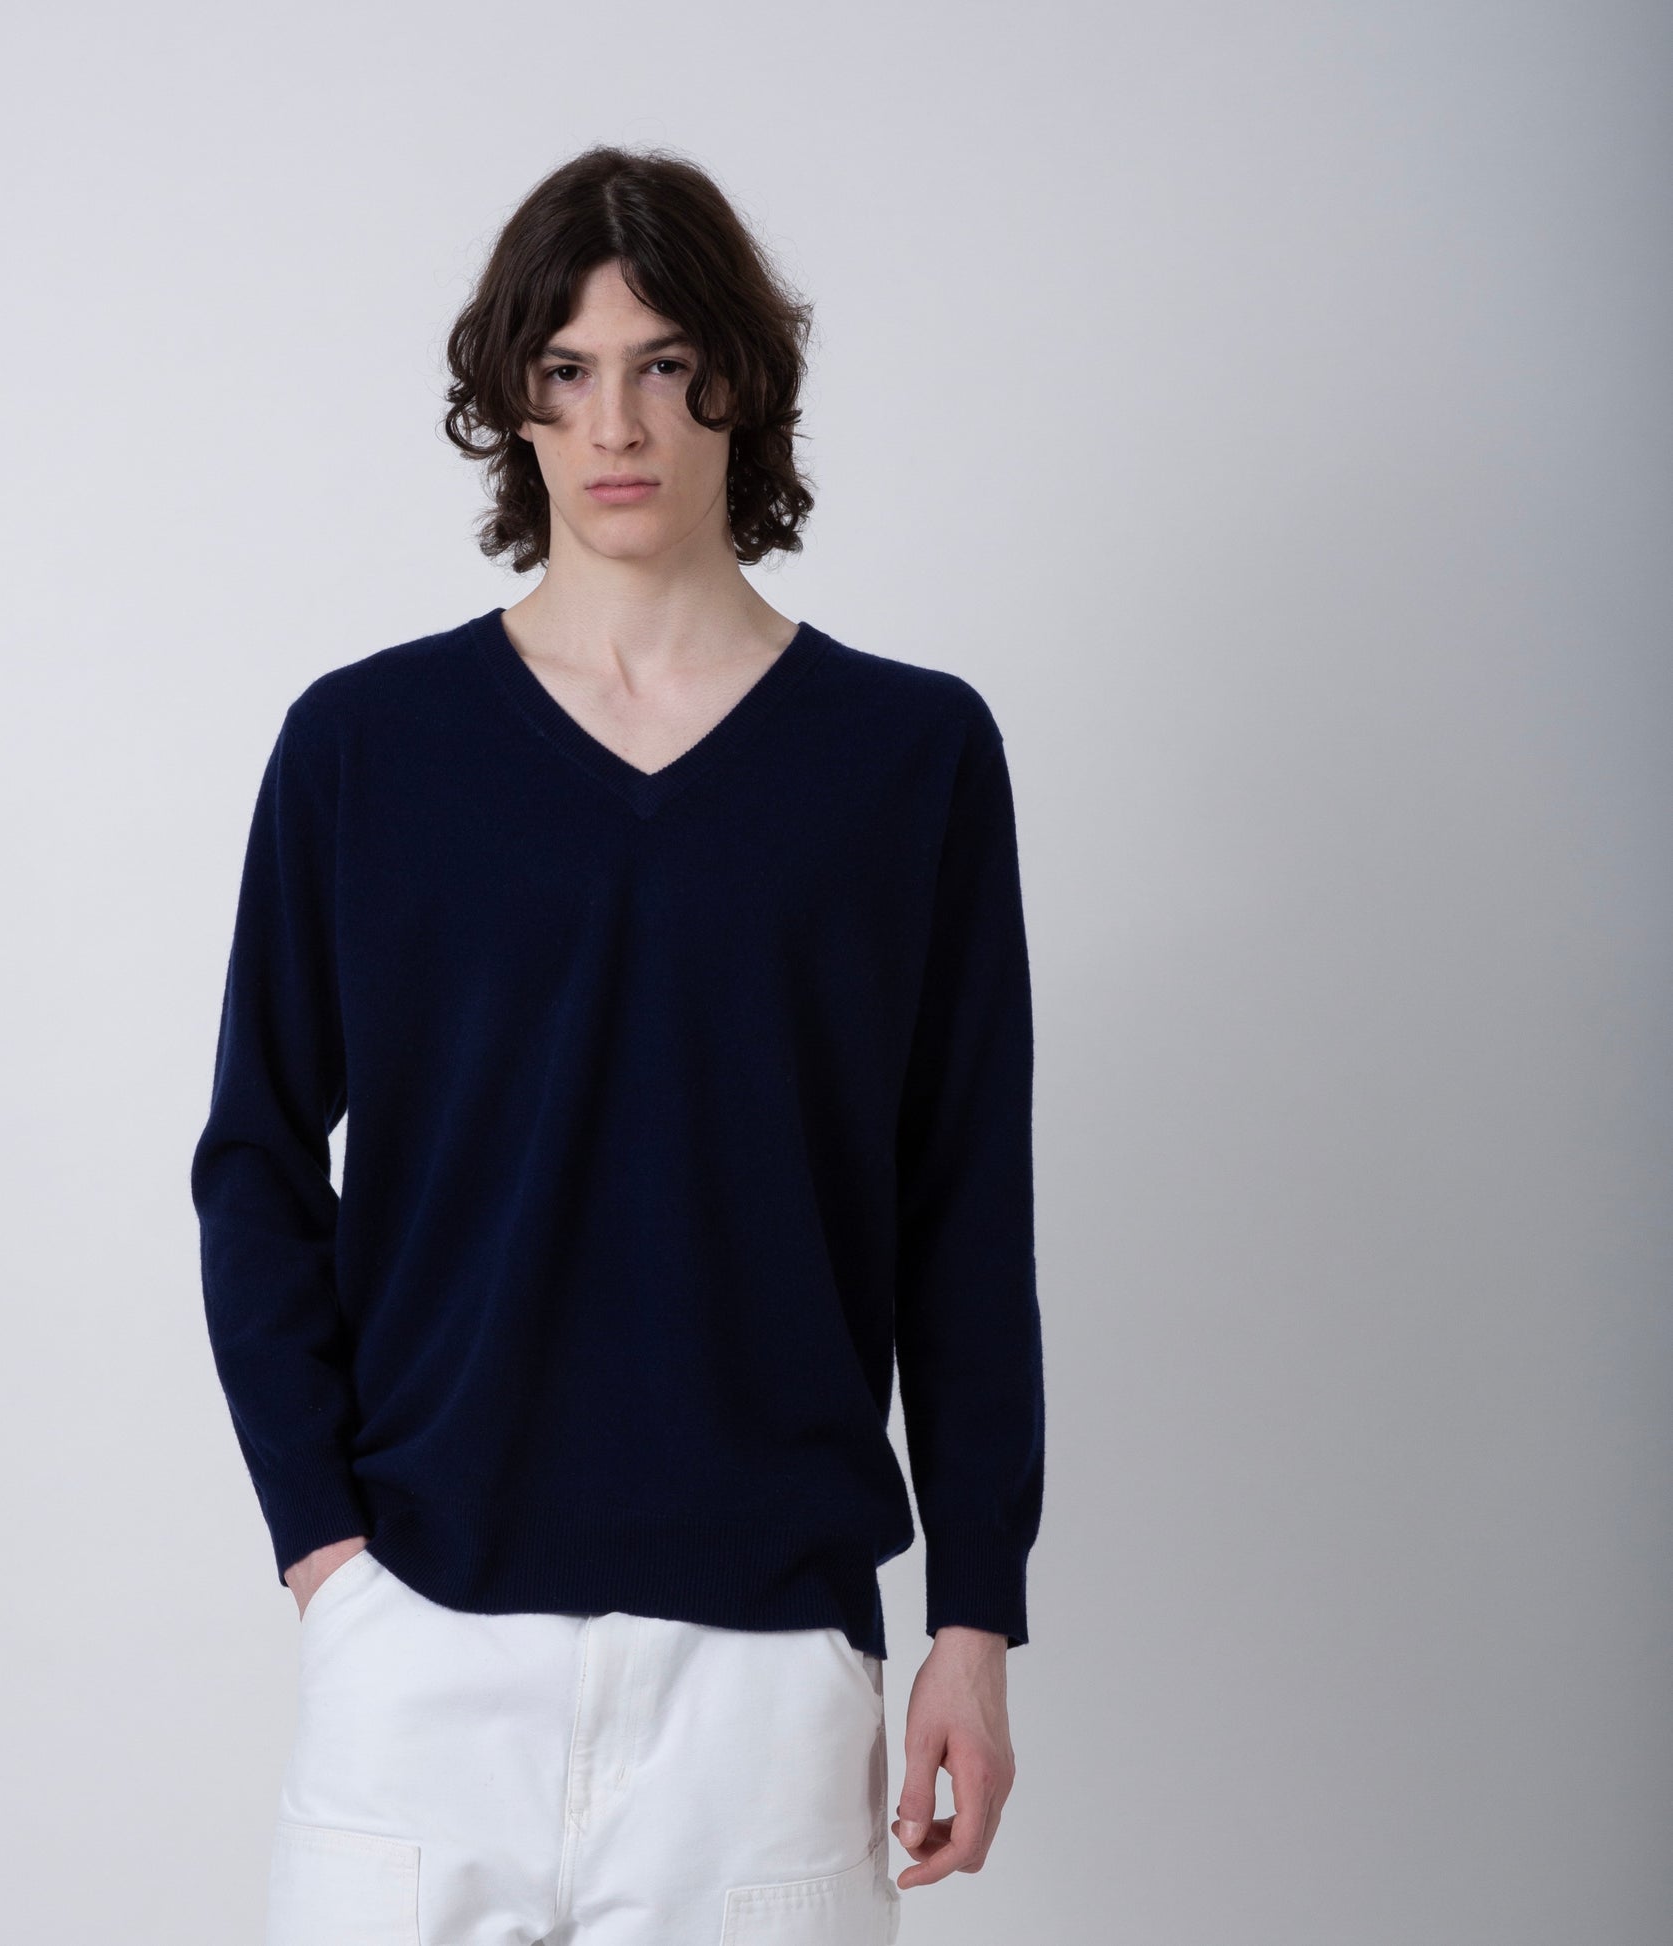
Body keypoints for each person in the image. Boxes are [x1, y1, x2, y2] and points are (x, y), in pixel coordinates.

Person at [190, 142, 1044, 1946]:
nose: (616, 423)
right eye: (566, 370)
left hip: (764, 1675)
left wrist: (974, 1612)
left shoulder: (907, 761)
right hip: (421, 1643)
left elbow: (962, 1205)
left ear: (743, 377)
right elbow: (255, 1154)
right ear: (510, 399)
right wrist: (325, 1553)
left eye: (665, 363)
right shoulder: (365, 748)